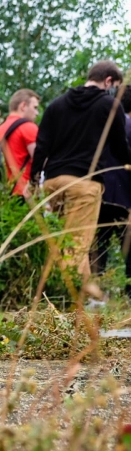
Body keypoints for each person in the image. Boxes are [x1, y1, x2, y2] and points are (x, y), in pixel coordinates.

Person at [31, 61, 131, 292]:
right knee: (77, 244)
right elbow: (119, 147)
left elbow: (42, 146)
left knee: (61, 241)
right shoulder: (109, 105)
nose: (113, 90)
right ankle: (66, 299)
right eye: (114, 85)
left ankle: (83, 298)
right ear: (108, 81)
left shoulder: (57, 105)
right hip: (84, 183)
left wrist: (35, 180)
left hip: (54, 182)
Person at [93, 87, 131, 299]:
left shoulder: (99, 125)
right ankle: (129, 292)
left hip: (100, 192)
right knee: (129, 248)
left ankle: (97, 291)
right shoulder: (128, 125)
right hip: (125, 197)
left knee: (99, 245)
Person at [0, 89, 40, 197]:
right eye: (35, 108)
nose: (37, 113)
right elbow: (40, 160)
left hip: (4, 192)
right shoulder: (28, 127)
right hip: (25, 191)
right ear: (23, 106)